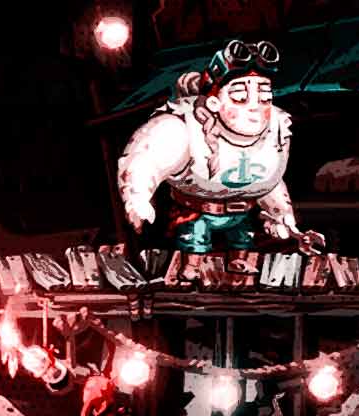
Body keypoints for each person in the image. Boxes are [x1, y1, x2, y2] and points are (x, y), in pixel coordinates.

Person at [117, 39, 320, 285]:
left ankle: (238, 261)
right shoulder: (183, 128)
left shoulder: (275, 130)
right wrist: (137, 198)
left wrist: (284, 220)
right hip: (197, 210)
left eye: (264, 97)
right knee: (195, 239)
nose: (254, 107)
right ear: (214, 102)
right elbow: (144, 159)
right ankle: (191, 266)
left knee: (242, 239)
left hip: (242, 213)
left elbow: (271, 182)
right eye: (240, 97)